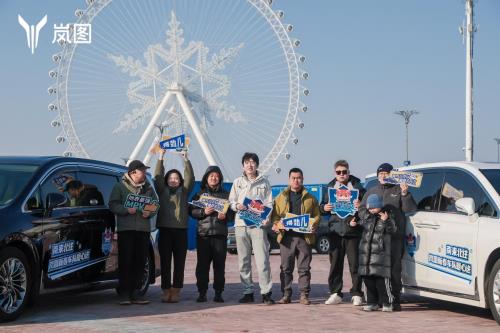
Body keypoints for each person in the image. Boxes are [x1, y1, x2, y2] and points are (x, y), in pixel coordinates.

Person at [358, 163, 417, 311]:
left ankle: (394, 300)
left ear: (392, 175)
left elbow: (410, 210)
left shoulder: (399, 189)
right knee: (374, 271)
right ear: (377, 175)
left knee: (393, 270)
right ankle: (376, 300)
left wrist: (405, 194)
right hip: (375, 239)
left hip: (394, 238)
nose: (383, 176)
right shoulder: (371, 191)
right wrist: (366, 217)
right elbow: (362, 210)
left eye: (386, 173)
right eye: (381, 173)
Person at [109, 160, 158, 305]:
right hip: (126, 229)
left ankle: (137, 292)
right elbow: (112, 204)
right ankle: (124, 293)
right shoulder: (120, 186)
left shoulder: (148, 188)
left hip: (143, 230)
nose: (144, 173)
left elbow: (155, 204)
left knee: (140, 261)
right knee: (126, 261)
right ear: (133, 173)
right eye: (142, 171)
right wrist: (125, 210)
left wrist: (148, 212)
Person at [228, 152, 274, 305]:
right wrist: (236, 206)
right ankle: (248, 291)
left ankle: (266, 292)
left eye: (253, 162)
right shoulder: (237, 182)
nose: (250, 165)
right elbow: (231, 201)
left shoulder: (265, 183)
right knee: (243, 261)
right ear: (243, 165)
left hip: (258, 225)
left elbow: (269, 204)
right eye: (247, 162)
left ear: (257, 165)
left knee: (262, 261)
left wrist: (267, 217)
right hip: (241, 224)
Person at [271, 168, 320, 305]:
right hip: (286, 238)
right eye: (293, 178)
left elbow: (317, 215)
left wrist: (314, 224)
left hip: (304, 238)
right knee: (286, 268)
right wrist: (276, 224)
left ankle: (304, 295)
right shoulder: (280, 197)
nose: (296, 180)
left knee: (304, 268)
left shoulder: (311, 198)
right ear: (289, 180)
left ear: (303, 179)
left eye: (298, 178)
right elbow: (274, 216)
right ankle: (286, 294)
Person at [321, 160, 365, 306]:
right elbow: (321, 206)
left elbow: (366, 208)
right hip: (335, 231)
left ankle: (357, 293)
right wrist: (324, 208)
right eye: (338, 172)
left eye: (344, 172)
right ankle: (335, 293)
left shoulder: (358, 187)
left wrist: (360, 206)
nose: (341, 175)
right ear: (335, 173)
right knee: (335, 265)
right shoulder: (329, 187)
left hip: (352, 232)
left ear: (348, 172)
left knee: (355, 265)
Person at [189, 165, 234, 303]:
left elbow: (232, 215)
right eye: (211, 176)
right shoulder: (200, 194)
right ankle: (202, 292)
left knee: (219, 265)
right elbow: (191, 210)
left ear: (220, 178)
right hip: (204, 235)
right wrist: (203, 212)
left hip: (220, 235)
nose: (214, 178)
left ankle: (218, 292)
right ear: (206, 178)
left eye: (216, 176)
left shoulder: (227, 195)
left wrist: (225, 216)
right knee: (202, 266)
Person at [154, 150, 194, 303]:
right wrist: (160, 157)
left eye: (176, 178)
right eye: (170, 178)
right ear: (167, 180)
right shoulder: (162, 190)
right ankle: (165, 290)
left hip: (180, 232)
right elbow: (157, 177)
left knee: (179, 263)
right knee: (165, 262)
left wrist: (186, 160)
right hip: (164, 230)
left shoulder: (184, 192)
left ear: (180, 180)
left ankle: (176, 290)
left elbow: (190, 178)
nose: (173, 180)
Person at [357, 194, 396, 312]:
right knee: (368, 281)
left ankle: (387, 302)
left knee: (382, 282)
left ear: (380, 206)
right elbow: (360, 223)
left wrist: (385, 221)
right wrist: (353, 223)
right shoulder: (367, 217)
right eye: (370, 208)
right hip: (366, 257)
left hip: (380, 257)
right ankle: (371, 302)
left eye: (374, 207)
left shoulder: (387, 216)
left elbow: (393, 230)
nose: (372, 209)